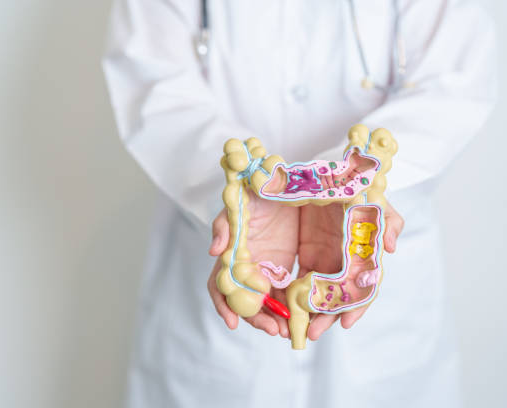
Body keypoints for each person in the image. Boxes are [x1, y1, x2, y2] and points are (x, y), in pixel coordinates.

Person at [102, 1, 497, 407]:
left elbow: (452, 85)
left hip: (382, 311)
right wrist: (243, 194)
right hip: (218, 288)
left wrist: (345, 185)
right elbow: (153, 84)